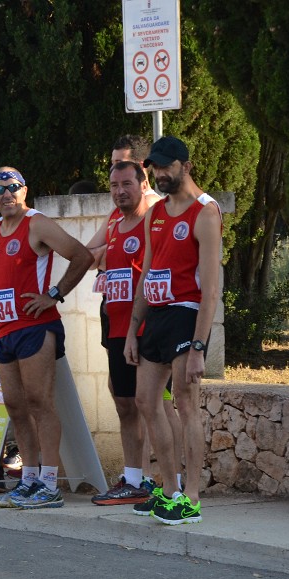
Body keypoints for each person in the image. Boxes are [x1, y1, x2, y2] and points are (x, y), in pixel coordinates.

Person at [124, 136, 223, 525]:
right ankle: (169, 491)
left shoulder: (205, 212)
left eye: (167, 166)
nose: (161, 173)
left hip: (187, 314)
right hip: (157, 315)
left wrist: (198, 346)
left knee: (185, 400)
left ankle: (192, 498)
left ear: (187, 165)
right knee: (145, 401)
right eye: (156, 167)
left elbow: (210, 290)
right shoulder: (156, 213)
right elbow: (147, 273)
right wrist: (133, 329)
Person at [0, 167, 94, 509]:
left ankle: (48, 484)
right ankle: (29, 479)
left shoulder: (37, 223)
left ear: (24, 190)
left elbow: (82, 255)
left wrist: (54, 294)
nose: (6, 194)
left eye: (13, 187)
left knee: (39, 402)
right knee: (15, 406)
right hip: (5, 330)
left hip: (35, 326)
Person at [84, 160, 162, 505]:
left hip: (146, 327)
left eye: (127, 184)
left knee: (153, 407)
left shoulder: (154, 220)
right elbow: (89, 256)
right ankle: (134, 479)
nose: (119, 192)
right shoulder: (114, 221)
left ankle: (172, 485)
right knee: (124, 404)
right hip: (116, 328)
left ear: (144, 185)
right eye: (114, 186)